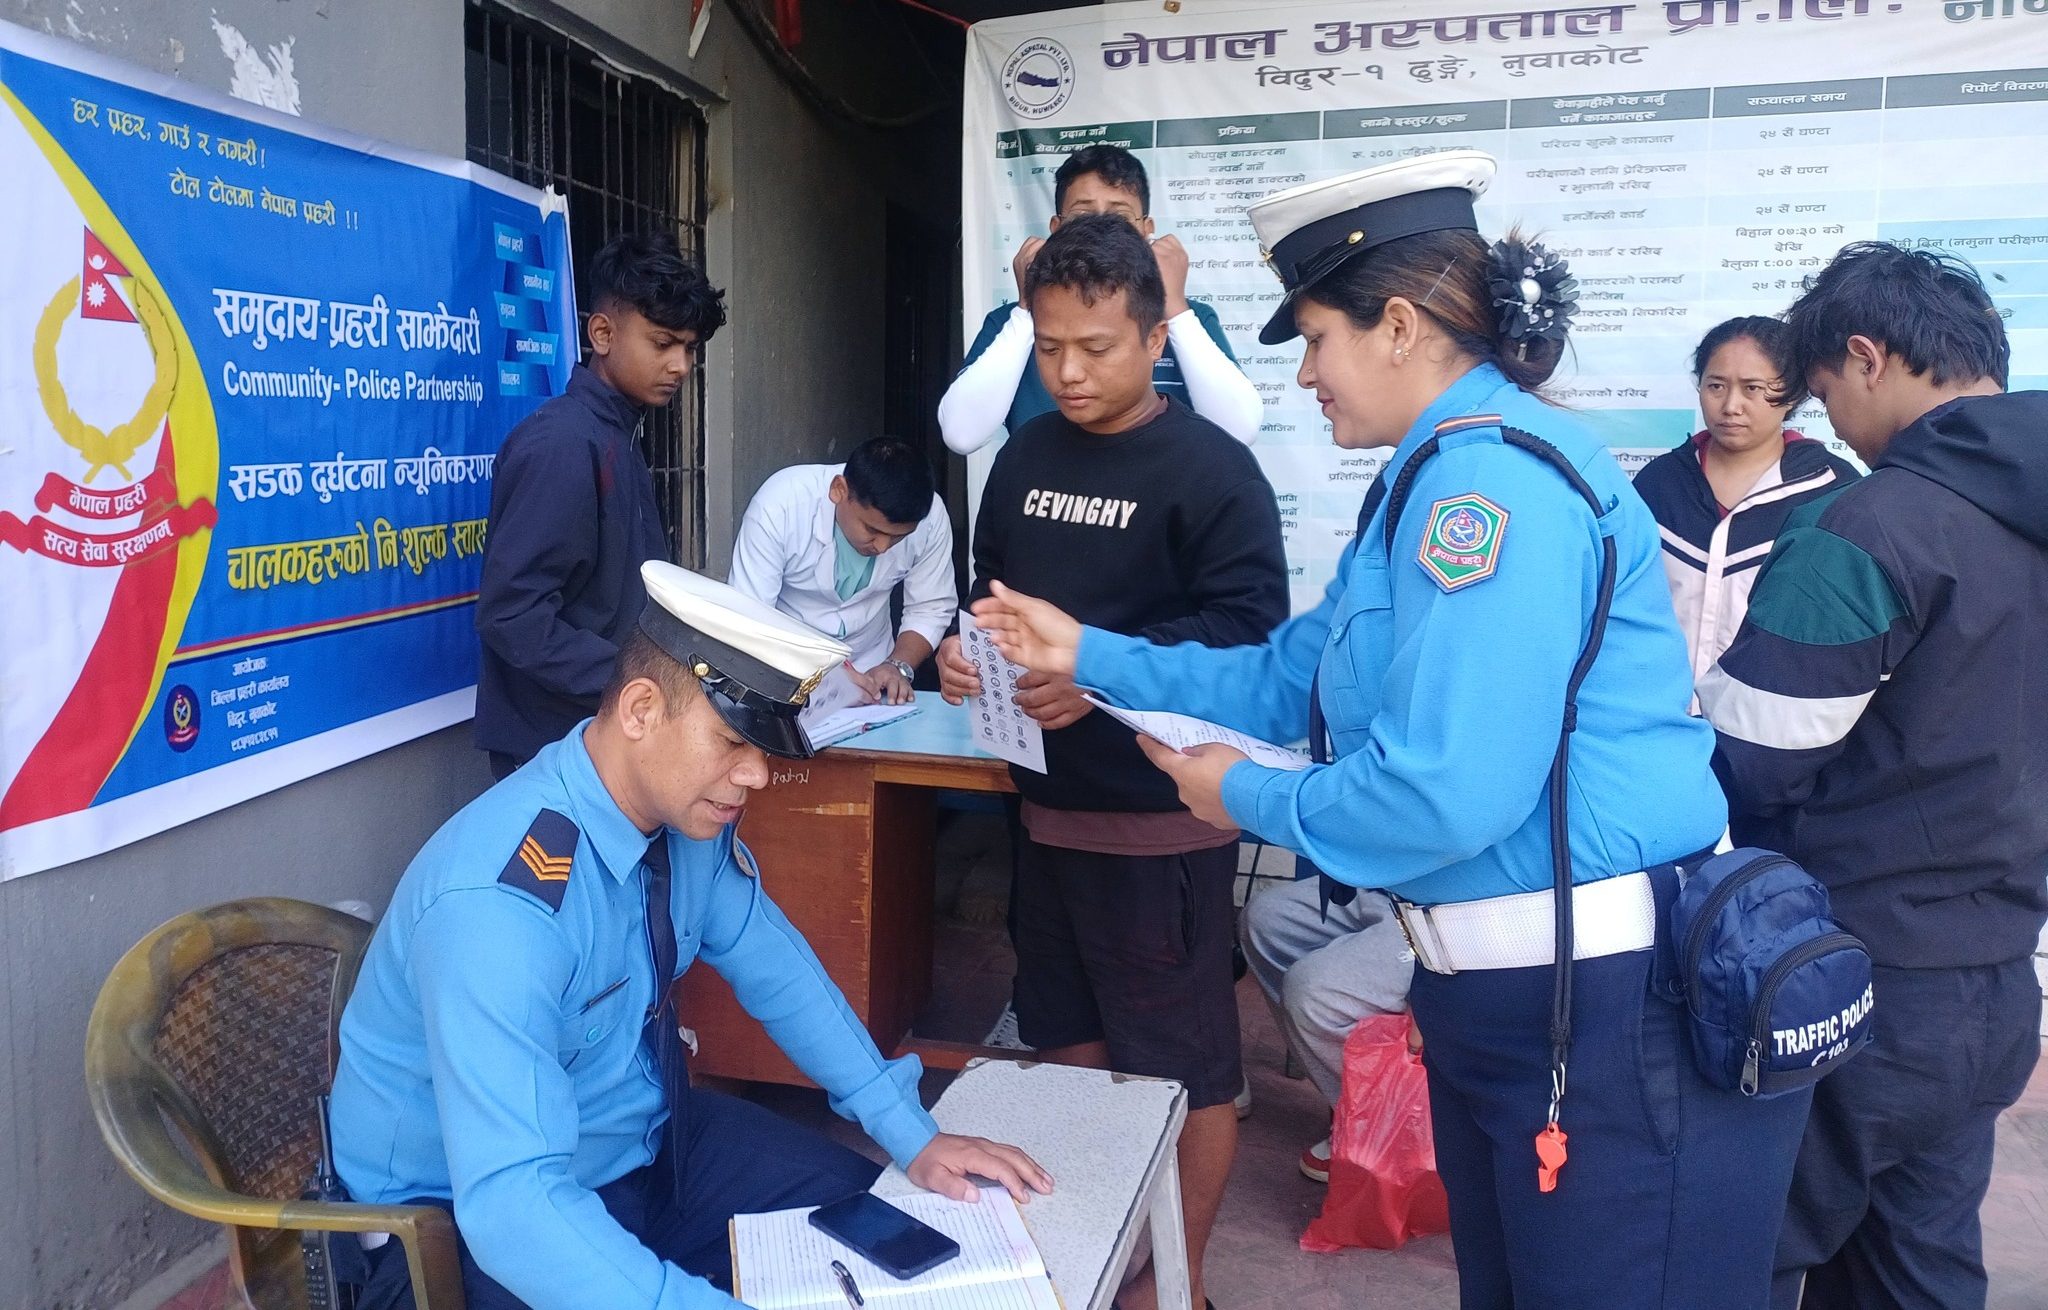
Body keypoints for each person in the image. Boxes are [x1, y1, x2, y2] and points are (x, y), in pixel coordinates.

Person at [969, 151, 1815, 1309]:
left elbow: (1445, 791)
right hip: (1499, 991)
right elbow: (1293, 681)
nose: (1306, 373)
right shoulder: (1419, 483)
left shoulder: (1490, 493)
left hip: (1599, 1002)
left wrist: (1246, 797)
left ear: (1401, 325)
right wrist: (1087, 652)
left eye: (1315, 338)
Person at [334, 561, 1051, 1310]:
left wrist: (912, 1132)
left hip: (634, 1143)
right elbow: (515, 1207)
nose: (758, 778)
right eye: (732, 743)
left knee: (874, 1223)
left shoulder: (684, 824)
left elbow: (779, 972)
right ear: (641, 709)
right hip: (452, 1226)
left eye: (767, 750)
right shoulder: (500, 906)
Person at [935, 212, 1288, 1310]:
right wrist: (963, 650)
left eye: (1094, 346)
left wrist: (1092, 681)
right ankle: (1095, 1257)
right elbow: (987, 592)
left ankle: (1166, 1292)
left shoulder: (1211, 471)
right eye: (1048, 346)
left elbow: (1247, 640)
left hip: (1158, 832)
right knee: (1072, 1053)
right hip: (1042, 818)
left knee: (1190, 1079)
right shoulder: (1024, 456)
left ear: (1152, 338)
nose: (1069, 370)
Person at [1697, 243, 2048, 1310]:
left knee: (1735, 1251)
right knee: (1917, 1265)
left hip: (1849, 979)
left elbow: (1749, 754)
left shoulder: (1872, 521)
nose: (1829, 425)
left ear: (1863, 356)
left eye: (1819, 393)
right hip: (1995, 977)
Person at [475, 233, 726, 779]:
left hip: (606, 729)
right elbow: (512, 615)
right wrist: (634, 679)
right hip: (555, 747)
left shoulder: (617, 433)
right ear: (603, 333)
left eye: (689, 348)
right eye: (663, 343)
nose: (681, 365)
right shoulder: (562, 444)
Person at [937, 143, 1262, 455]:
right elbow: (961, 434)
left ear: (1148, 230)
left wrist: (1175, 309)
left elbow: (1239, 431)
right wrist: (1027, 307)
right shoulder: (1011, 322)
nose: (1103, 231)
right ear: (1056, 227)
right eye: (1083, 215)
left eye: (1119, 217)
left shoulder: (1188, 318)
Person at [1633, 317, 1859, 688]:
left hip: (1767, 721)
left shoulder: (1831, 491)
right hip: (1663, 716)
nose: (1731, 406)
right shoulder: (1658, 484)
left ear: (1791, 395)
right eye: (1716, 386)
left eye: (1752, 388)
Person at [727, 437, 954, 704]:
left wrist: (897, 666)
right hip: (784, 676)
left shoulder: (931, 517)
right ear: (839, 490)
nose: (882, 546)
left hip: (876, 678)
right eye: (872, 530)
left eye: (898, 538)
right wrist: (826, 683)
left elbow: (930, 608)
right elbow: (750, 620)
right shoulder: (780, 505)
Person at [1238, 877, 1412, 1182]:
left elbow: (1460, 839)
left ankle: (1386, 1128)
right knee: (1266, 919)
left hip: (1458, 906)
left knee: (1312, 992)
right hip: (1392, 884)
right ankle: (1355, 1103)